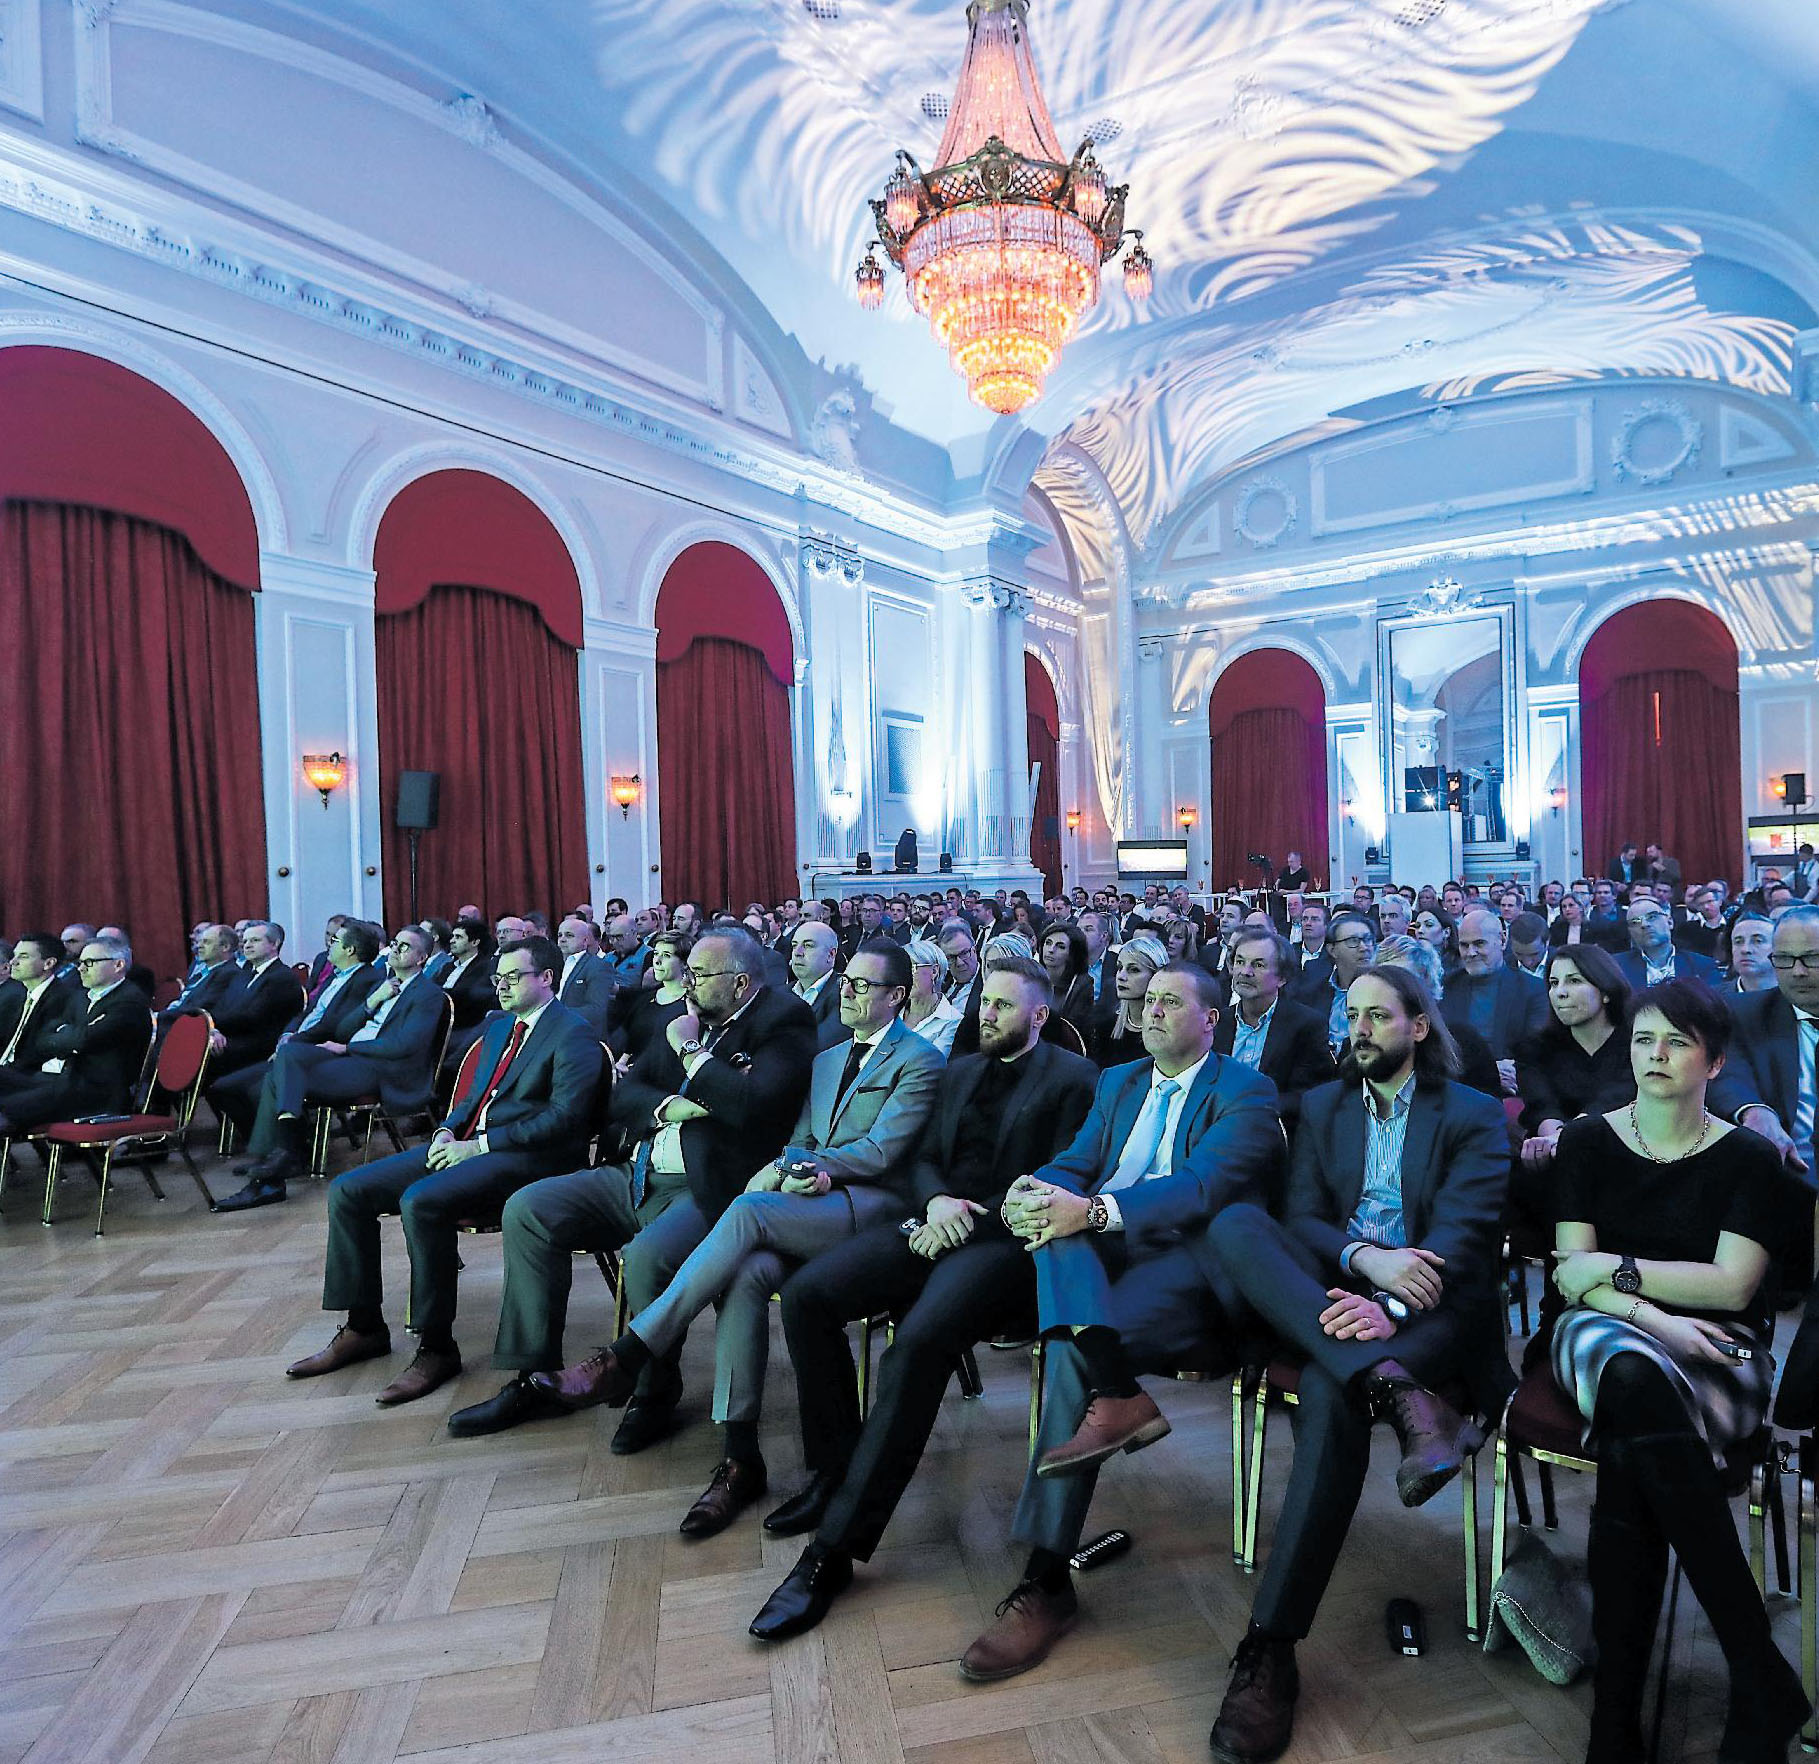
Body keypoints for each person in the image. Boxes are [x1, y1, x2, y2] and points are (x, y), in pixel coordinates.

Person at [918, 963, 1281, 1679]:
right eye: (1147, 1001)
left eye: (1171, 1002)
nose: (1150, 1012)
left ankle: (1048, 1578)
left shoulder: (1243, 1089)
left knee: (1068, 1350)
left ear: (1212, 1018)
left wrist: (1088, 1211)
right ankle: (1114, 1394)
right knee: (1053, 1236)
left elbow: (1199, 1187)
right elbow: (1076, 1161)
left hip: (1188, 1266)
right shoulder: (1117, 1081)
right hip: (1101, 1260)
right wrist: (1034, 1190)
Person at [522, 941, 943, 1534]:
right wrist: (793, 1166)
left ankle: (628, 1354)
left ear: (898, 996)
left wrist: (817, 1170)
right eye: (845, 981)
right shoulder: (826, 1059)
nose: (846, 992)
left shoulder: (920, 1058)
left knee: (744, 1212)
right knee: (745, 1277)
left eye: (862, 986)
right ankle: (740, 1455)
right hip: (806, 1198)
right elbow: (797, 1135)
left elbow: (882, 1151)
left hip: (868, 1207)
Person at [1199, 966, 1512, 1762]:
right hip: (1344, 1293)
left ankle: (1268, 1644)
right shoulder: (1325, 1105)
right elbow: (1301, 1217)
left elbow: (1465, 1238)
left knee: (1326, 1392)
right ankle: (1392, 1387)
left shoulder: (1470, 1113)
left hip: (1436, 1312)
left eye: (1378, 1015)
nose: (1360, 1029)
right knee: (1238, 1223)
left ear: (1417, 1026)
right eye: (1351, 1016)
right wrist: (1363, 1263)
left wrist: (1394, 1304)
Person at [749, 962, 1102, 1639]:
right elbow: (920, 1159)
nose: (986, 1015)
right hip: (933, 1223)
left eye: (1003, 1006)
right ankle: (835, 1472)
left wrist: (969, 1216)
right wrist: (936, 1200)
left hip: (1008, 1247)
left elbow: (1063, 1177)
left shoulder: (1074, 1080)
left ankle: (833, 1553)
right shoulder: (960, 1069)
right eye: (982, 1003)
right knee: (809, 1295)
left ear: (1036, 1015)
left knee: (915, 1345)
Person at [1548, 981, 1808, 1762]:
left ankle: (1615, 1719)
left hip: (1720, 1348)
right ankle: (1757, 1669)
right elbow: (1566, 1276)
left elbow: (1730, 1287)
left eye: (1674, 1042)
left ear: (1715, 1060)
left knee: (1633, 1439)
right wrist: (1657, 1317)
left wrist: (1610, 1271)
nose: (1652, 1056)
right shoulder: (1588, 1141)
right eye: (1640, 1040)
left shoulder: (1749, 1158)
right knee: (1631, 1375)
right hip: (1604, 1332)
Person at [439, 928, 815, 1452]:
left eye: (700, 975)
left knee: (644, 1258)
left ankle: (652, 1391)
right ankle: (534, 1377)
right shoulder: (689, 1015)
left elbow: (752, 1104)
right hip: (633, 1171)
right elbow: (625, 1094)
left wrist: (691, 1055)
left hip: (706, 1189)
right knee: (529, 1208)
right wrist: (669, 1106)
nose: (687, 983)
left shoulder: (782, 1021)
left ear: (741, 983)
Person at [285, 935, 605, 1407]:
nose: (502, 985)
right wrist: (446, 1131)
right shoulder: (499, 1027)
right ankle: (364, 1327)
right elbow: (471, 1099)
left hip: (533, 1159)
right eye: (498, 977)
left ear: (547, 978)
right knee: (350, 1189)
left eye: (513, 977)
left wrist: (478, 1145)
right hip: (472, 1144)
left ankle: (436, 1348)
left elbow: (566, 1120)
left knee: (423, 1200)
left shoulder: (571, 1032)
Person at [212, 927, 446, 1209]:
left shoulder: (428, 994)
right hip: (352, 1059)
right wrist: (375, 1000)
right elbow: (344, 1028)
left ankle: (274, 1168)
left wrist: (348, 1048)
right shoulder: (382, 984)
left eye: (405, 947)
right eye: (394, 943)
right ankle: (280, 1158)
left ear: (422, 958)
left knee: (278, 1077)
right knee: (288, 1056)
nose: (395, 949)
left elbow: (404, 1045)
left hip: (382, 1070)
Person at [0, 934, 152, 1132]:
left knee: (8, 1109)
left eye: (89, 962)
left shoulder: (129, 1001)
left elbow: (84, 1040)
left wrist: (68, 1035)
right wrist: (71, 1036)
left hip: (98, 1091)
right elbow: (43, 1039)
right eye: (80, 962)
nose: (80, 968)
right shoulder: (80, 997)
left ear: (118, 965)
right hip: (64, 1081)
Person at [1711, 904, 1819, 1182]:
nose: (1797, 971)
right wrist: (1755, 1111)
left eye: (1812, 958)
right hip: (1784, 1179)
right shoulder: (1746, 1013)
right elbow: (1723, 1069)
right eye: (1783, 959)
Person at [1514, 945, 1635, 1172]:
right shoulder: (1534, 1048)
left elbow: (1618, 1098)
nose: (1560, 992)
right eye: (1553, 983)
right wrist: (1553, 1141)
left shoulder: (1638, 1042)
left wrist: (1568, 1139)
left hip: (1624, 1152)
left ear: (1606, 991)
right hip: (1554, 1159)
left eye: (1574, 981)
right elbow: (1542, 1105)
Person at [1212, 928, 1335, 1138]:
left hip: (1276, 1135)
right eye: (1240, 962)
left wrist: (1252, 1109)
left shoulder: (1307, 1024)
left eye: (1258, 965)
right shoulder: (1217, 1022)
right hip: (1216, 1131)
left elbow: (1311, 1093)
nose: (1245, 972)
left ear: (1282, 978)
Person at [1439, 909, 1546, 1089]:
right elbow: (1437, 1050)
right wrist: (1487, 1072)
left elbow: (1537, 1053)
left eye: (1479, 944)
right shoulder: (1446, 987)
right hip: (1457, 1088)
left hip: (1512, 1093)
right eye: (1464, 945)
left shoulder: (1533, 990)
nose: (1470, 953)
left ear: (1503, 940)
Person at [206, 921, 305, 1077]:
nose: (247, 945)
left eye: (255, 940)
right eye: (245, 941)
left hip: (257, 1045)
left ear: (274, 944)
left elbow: (252, 1017)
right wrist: (213, 1029)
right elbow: (221, 1005)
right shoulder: (245, 972)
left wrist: (212, 1026)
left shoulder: (281, 977)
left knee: (198, 1052)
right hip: (232, 1036)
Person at [606, 927, 692, 1065]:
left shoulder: (692, 1004)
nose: (657, 961)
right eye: (656, 953)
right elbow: (628, 1041)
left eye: (666, 955)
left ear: (684, 963)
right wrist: (621, 1063)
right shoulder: (645, 999)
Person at [0, 932, 80, 1080]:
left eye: (23, 957)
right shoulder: (17, 995)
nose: (13, 962)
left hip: (28, 1077)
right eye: (14, 955)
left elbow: (39, 1054)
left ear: (48, 963)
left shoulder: (63, 999)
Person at [1294, 908, 1377, 1048]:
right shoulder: (1312, 990)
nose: (1364, 947)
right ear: (1332, 950)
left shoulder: (1384, 993)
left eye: (1368, 940)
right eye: (1353, 941)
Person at [1090, 933, 1166, 1068]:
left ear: (1156, 975)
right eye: (1119, 968)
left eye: (1134, 970)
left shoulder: (1169, 1031)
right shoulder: (1105, 1025)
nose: (1121, 976)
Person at [1616, 896, 1722, 991]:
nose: (1644, 924)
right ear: (1630, 932)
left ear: (1670, 922)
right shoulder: (1617, 967)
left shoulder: (1702, 966)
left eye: (1652, 917)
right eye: (1635, 922)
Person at [159, 923, 239, 1022]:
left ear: (225, 947)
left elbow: (198, 1008)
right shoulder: (201, 973)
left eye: (206, 942)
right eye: (199, 942)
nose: (199, 946)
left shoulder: (228, 973)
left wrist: (159, 1017)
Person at [554, 913, 617, 1039]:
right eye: (559, 935)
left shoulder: (599, 966)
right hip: (554, 1034)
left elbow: (596, 1010)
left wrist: (554, 1014)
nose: (562, 939)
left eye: (569, 935)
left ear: (585, 940)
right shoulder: (553, 965)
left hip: (582, 1037)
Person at [786, 919, 845, 1047]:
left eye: (808, 946)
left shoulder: (845, 993)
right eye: (794, 945)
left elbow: (819, 1045)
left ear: (831, 954)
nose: (797, 953)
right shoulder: (780, 993)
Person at [900, 937, 963, 1056]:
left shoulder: (952, 1021)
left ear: (934, 971)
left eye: (912, 968)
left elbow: (930, 1066)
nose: (904, 976)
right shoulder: (892, 1009)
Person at [1039, 922, 1097, 1043]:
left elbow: (1074, 1031)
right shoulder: (1033, 976)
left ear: (1072, 954)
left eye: (1060, 946)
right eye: (1048, 943)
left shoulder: (1082, 984)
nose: (1051, 950)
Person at [1726, 911, 1777, 993]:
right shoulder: (1712, 998)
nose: (1745, 950)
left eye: (1758, 941)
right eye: (1738, 942)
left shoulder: (1796, 997)